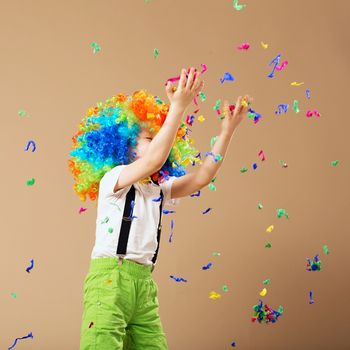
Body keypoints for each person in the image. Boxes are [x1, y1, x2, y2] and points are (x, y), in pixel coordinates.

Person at [68, 67, 252, 349]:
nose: (158, 144)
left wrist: (227, 132)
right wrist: (178, 106)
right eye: (149, 139)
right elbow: (153, 161)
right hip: (109, 280)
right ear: (126, 147)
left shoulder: (158, 188)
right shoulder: (113, 180)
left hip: (144, 285)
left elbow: (202, 177)